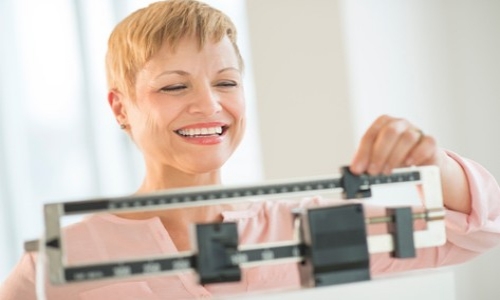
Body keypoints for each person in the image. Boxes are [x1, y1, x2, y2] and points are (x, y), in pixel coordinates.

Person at [1, 0, 500, 299]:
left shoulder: (303, 228)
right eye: (174, 87)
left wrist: (432, 163)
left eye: (226, 81)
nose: (209, 105)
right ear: (120, 108)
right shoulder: (61, 260)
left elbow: (476, 232)